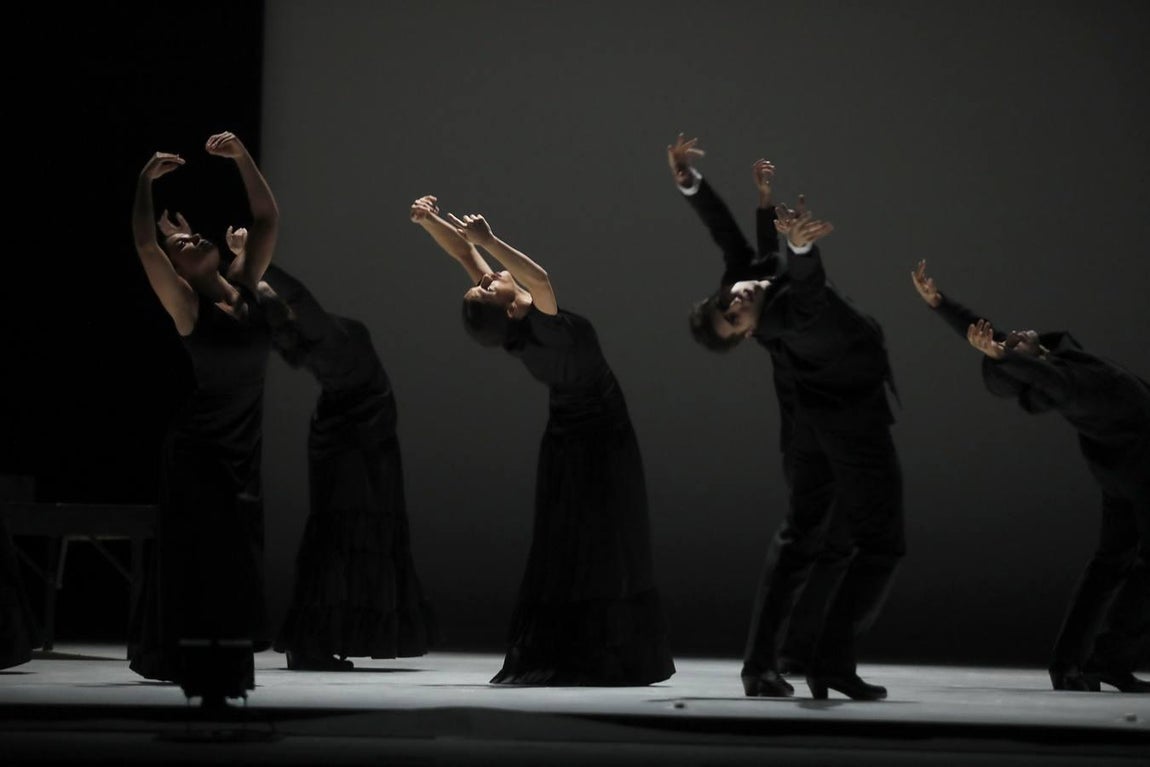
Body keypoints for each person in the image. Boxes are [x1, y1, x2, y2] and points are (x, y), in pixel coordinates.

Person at [670, 135, 905, 700]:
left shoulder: (757, 294)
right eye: (733, 314)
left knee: (825, 542)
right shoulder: (788, 315)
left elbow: (733, 241)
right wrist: (798, 248)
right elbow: (804, 283)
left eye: (728, 299)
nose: (736, 297)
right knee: (858, 543)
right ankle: (814, 660)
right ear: (747, 333)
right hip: (836, 428)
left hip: (819, 426)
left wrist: (693, 185)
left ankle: (792, 661)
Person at [409, 195, 675, 686]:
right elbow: (540, 277)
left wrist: (430, 223)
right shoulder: (545, 328)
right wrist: (490, 239)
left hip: (568, 433)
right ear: (508, 310)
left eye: (484, 282)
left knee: (579, 541)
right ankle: (606, 652)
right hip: (599, 437)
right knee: (601, 542)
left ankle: (590, 646)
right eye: (486, 288)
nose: (486, 276)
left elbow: (464, 255)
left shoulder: (515, 320)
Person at [200, 225, 438, 670]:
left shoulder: (313, 340)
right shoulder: (323, 337)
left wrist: (246, 264)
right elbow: (298, 293)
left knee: (344, 535)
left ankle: (323, 636)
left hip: (352, 437)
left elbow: (280, 294)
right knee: (341, 537)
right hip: (356, 443)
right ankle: (313, 640)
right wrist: (252, 259)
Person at [912, 260, 1150, 693]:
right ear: (1022, 372)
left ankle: (1076, 663)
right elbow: (1033, 371)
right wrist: (1002, 357)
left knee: (1110, 563)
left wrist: (940, 304)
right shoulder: (1060, 383)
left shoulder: (1056, 358)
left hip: (1122, 470)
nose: (1011, 336)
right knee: (1123, 566)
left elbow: (984, 331)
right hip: (1140, 468)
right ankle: (1107, 658)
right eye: (1009, 347)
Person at [127, 132, 278, 706]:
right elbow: (146, 246)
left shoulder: (246, 287)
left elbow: (265, 215)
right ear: (179, 271)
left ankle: (226, 675)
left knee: (236, 560)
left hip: (242, 445)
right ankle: (203, 677)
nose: (189, 239)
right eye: (182, 246)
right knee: (208, 559)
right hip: (199, 450)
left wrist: (242, 159)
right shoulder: (187, 306)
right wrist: (143, 180)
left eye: (193, 235)